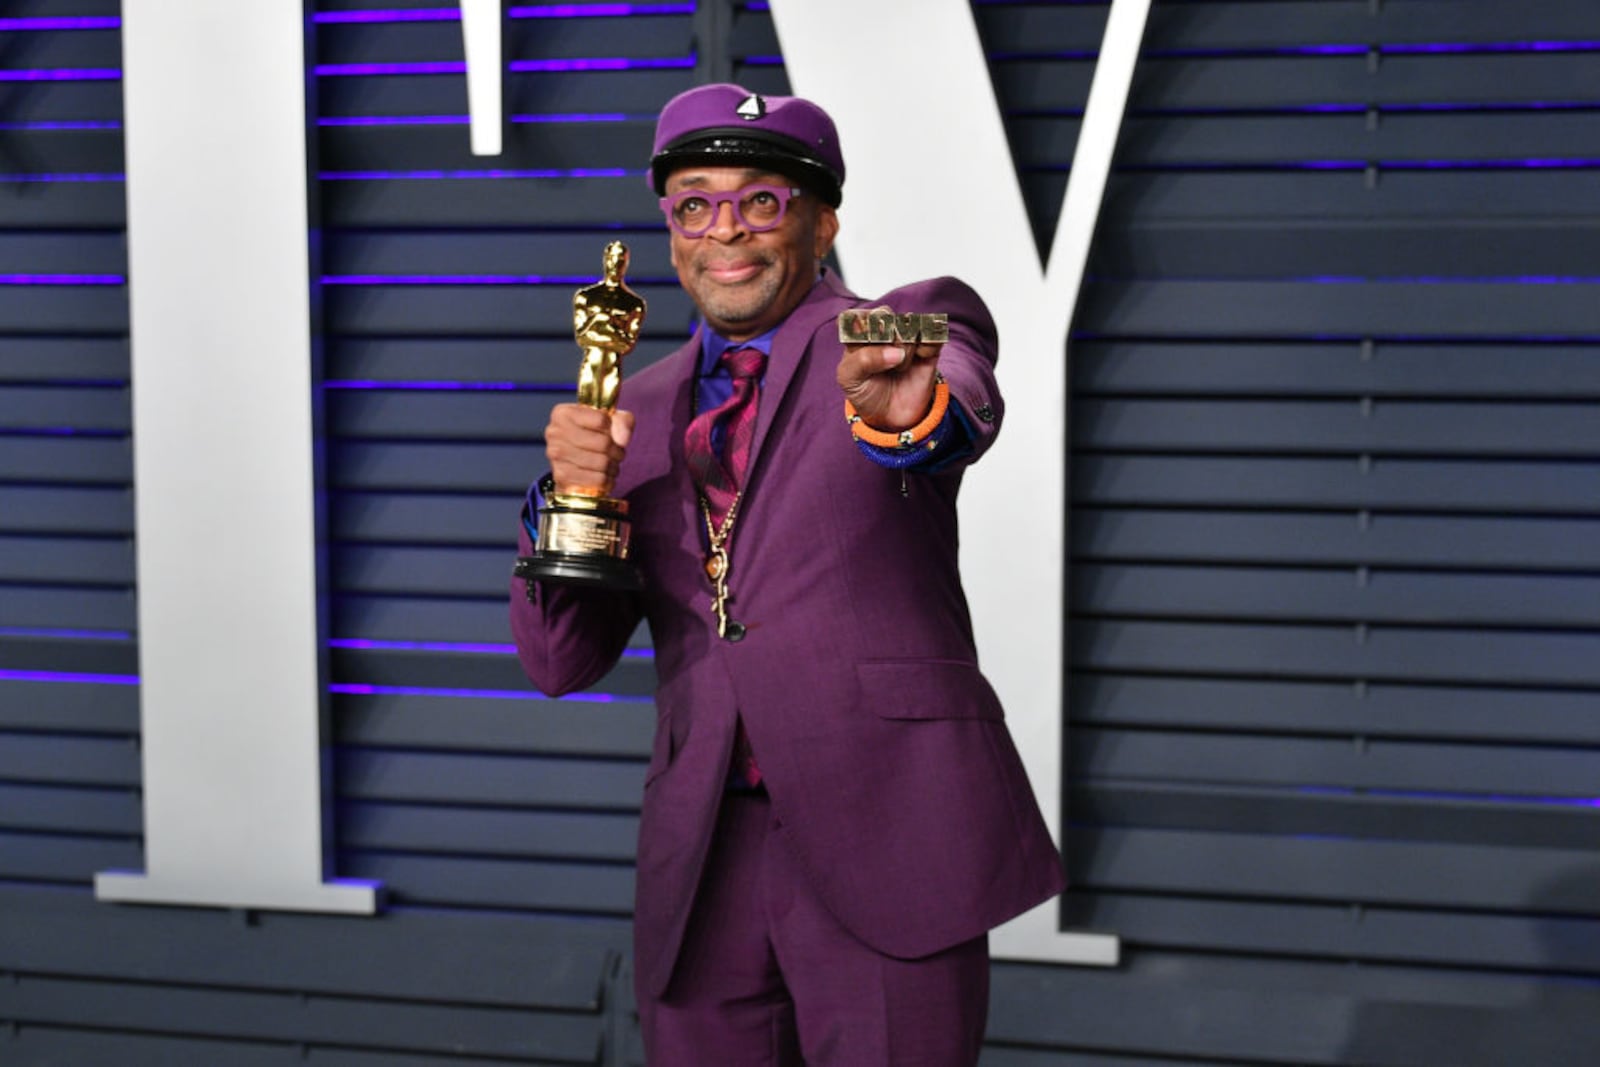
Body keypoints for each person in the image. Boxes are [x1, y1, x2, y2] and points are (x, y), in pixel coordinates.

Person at [511, 83, 1064, 1066]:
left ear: (822, 219)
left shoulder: (890, 330)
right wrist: (568, 496)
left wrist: (909, 412)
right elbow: (561, 659)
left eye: (761, 200)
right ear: (670, 228)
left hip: (891, 827)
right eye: (695, 203)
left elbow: (951, 398)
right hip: (702, 850)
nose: (726, 230)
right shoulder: (631, 404)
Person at [572, 239, 646, 414]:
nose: (615, 263)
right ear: (605, 259)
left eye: (620, 259)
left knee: (607, 416)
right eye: (612, 258)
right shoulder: (586, 297)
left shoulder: (634, 304)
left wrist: (604, 326)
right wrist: (602, 322)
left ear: (626, 263)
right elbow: (582, 336)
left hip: (612, 366)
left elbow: (627, 343)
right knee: (585, 415)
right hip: (592, 362)